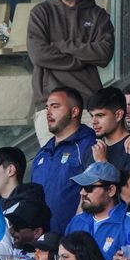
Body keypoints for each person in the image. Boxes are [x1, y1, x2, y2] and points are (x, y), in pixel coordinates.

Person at [26, 0, 114, 110]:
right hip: (49, 104)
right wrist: (83, 59)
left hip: (88, 105)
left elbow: (104, 54)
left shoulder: (97, 15)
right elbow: (38, 55)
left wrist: (59, 46)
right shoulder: (40, 12)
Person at [31, 87, 99, 233]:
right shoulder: (42, 153)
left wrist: (74, 233)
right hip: (41, 242)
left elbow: (93, 193)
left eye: (55, 106)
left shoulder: (89, 144)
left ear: (75, 111)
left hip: (73, 243)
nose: (48, 112)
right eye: (47, 107)